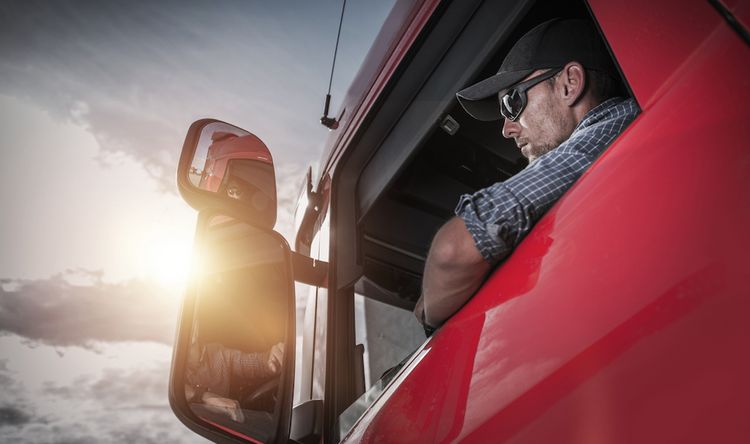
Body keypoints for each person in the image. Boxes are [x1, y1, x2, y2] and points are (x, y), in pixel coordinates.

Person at [414, 18, 639, 332]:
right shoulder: (611, 140)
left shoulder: (606, 130)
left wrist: (427, 312)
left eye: (511, 102)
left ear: (569, 83)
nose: (507, 129)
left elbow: (455, 250)